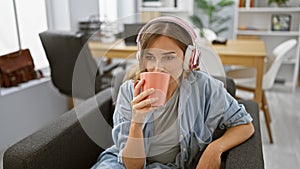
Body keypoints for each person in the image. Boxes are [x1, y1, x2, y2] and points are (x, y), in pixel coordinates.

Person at [91, 16, 254, 169]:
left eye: (168, 58)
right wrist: (136, 124)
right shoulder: (129, 91)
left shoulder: (204, 87)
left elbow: (244, 125)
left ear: (188, 58)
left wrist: (215, 149)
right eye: (150, 57)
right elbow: (132, 166)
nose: (157, 67)